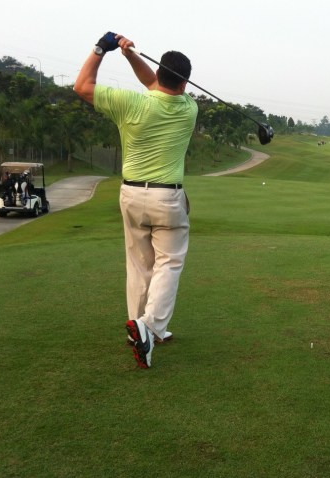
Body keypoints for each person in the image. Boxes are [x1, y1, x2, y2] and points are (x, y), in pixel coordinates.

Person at [74, 32, 198, 369]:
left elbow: (82, 86)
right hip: (168, 197)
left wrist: (103, 50)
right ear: (184, 83)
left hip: (131, 194)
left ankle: (138, 330)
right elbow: (158, 85)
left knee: (139, 265)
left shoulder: (130, 103)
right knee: (168, 263)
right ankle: (149, 326)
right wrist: (130, 55)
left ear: (158, 73)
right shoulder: (189, 108)